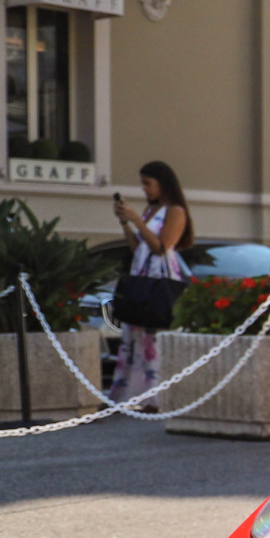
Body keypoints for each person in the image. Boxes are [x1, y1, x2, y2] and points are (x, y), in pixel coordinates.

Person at [108, 161, 193, 407]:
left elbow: (161, 246)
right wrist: (126, 222)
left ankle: (157, 398)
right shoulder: (150, 211)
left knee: (154, 335)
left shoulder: (176, 211)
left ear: (163, 184)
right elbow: (139, 247)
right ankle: (128, 395)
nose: (144, 189)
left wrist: (136, 219)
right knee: (134, 335)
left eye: (148, 184)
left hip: (160, 276)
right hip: (142, 271)